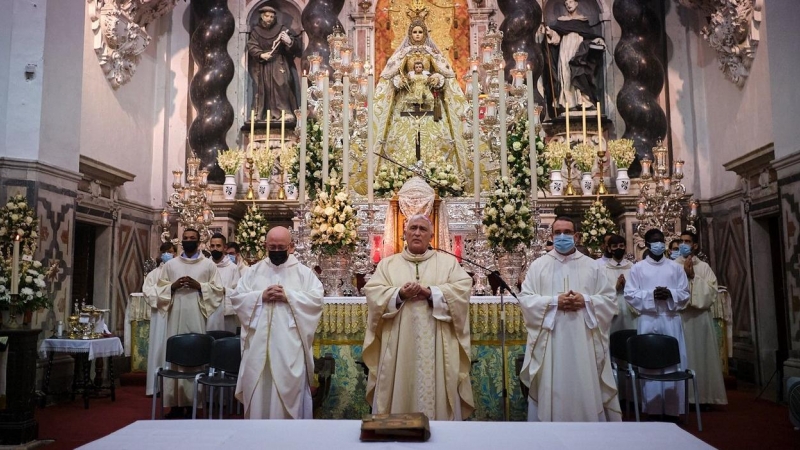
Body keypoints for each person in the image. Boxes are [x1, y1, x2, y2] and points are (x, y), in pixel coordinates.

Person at [362, 215, 474, 420]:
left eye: (423, 229)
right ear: (404, 233)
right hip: (398, 346)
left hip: (439, 346)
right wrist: (399, 294)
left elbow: (462, 290)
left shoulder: (448, 263)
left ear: (431, 235)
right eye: (413, 228)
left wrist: (431, 293)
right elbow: (373, 293)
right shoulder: (387, 265)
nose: (417, 232)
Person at [518, 216, 620, 422]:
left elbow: (610, 300)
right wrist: (555, 302)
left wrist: (587, 301)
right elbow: (526, 300)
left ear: (576, 236)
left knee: (585, 383)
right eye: (557, 233)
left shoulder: (593, 266)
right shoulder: (539, 266)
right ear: (551, 236)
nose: (562, 236)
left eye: (567, 232)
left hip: (584, 340)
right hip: (551, 340)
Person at [231, 226, 324, 419]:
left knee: (288, 398)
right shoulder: (253, 272)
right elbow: (238, 298)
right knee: (258, 396)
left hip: (289, 348)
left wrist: (288, 296)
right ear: (265, 245)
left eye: (280, 247)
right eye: (271, 247)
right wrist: (260, 296)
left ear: (291, 247)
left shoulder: (304, 274)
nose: (275, 251)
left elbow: (316, 301)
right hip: (258, 350)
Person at [371, 19, 470, 187]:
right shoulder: (404, 54)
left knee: (434, 136)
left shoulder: (431, 53)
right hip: (406, 102)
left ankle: (437, 172)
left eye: (420, 32)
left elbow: (445, 74)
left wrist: (437, 79)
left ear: (425, 34)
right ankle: (398, 175)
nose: (417, 35)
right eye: (415, 32)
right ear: (410, 34)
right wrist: (398, 81)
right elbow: (390, 74)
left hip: (429, 102)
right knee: (402, 137)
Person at [154, 228, 224, 418]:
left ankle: (194, 402)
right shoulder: (171, 265)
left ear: (199, 241)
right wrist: (173, 287)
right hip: (175, 314)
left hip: (196, 316)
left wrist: (200, 286)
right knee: (176, 359)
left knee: (195, 358)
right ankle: (175, 405)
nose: (189, 241)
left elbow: (218, 290)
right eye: (185, 239)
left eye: (192, 239)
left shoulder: (208, 265)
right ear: (181, 242)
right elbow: (158, 289)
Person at [624, 228, 690, 419]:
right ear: (646, 243)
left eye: (661, 241)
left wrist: (671, 294)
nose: (658, 244)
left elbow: (685, 293)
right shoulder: (637, 268)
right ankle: (651, 409)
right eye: (654, 241)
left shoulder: (675, 268)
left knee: (673, 365)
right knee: (649, 363)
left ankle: (672, 409)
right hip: (648, 318)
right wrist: (652, 295)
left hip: (671, 318)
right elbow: (630, 294)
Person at [675, 231, 728, 407]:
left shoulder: (704, 267)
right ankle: (683, 397)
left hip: (700, 319)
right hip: (682, 318)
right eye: (681, 241)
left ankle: (705, 396)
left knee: (703, 356)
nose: (684, 244)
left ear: (695, 245)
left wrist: (692, 277)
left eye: (687, 241)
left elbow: (712, 292)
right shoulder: (673, 266)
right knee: (685, 355)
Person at [540, 0, 605, 112]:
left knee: (579, 72)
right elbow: (556, 40)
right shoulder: (561, 22)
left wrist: (597, 39)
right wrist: (551, 33)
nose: (568, 5)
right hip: (565, 50)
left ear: (576, 3)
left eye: (570, 2)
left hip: (579, 50)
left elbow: (589, 36)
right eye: (566, 4)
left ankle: (583, 100)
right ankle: (569, 102)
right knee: (566, 74)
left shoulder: (583, 21)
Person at [247, 6, 301, 122]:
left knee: (282, 84)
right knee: (264, 88)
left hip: (279, 62)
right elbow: (252, 46)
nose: (270, 19)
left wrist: (289, 41)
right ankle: (266, 114)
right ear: (262, 16)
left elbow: (295, 48)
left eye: (272, 17)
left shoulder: (282, 29)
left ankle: (285, 112)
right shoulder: (256, 31)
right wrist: (261, 54)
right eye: (267, 16)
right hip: (264, 65)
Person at [142, 241, 176, 397]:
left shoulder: (178, 271)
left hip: (173, 313)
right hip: (159, 315)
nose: (169, 254)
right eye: (166, 252)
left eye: (171, 251)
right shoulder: (153, 274)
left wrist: (166, 291)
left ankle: (172, 387)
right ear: (161, 254)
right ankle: (154, 387)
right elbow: (148, 292)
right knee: (158, 348)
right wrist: (165, 293)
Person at [600, 234, 637, 333]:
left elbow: (639, 288)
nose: (618, 248)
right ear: (609, 249)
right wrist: (614, 287)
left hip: (630, 309)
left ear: (625, 247)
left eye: (621, 246)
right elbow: (601, 290)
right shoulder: (603, 269)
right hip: (612, 309)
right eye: (615, 246)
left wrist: (627, 286)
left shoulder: (633, 267)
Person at [206, 233, 241, 334]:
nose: (215, 249)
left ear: (225, 248)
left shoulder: (233, 268)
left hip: (226, 314)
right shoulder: (205, 265)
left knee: (225, 344)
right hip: (207, 312)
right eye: (212, 246)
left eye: (218, 246)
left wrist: (224, 290)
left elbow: (238, 291)